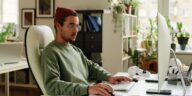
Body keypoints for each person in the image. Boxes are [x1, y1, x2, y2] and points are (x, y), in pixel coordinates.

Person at [41, 7, 131, 96]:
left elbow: (91, 67)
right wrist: (87, 89)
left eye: (77, 26)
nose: (76, 30)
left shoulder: (75, 50)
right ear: (58, 26)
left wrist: (109, 77)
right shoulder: (50, 52)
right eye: (71, 25)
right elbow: (51, 86)